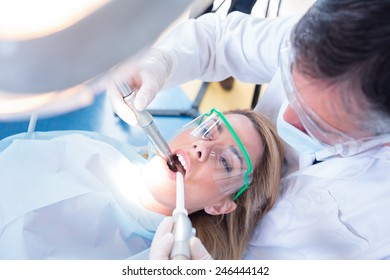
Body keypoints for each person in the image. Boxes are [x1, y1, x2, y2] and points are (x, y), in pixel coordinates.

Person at [109, 0, 390, 259]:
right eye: (290, 87)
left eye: (315, 121)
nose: (285, 115)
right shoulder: (331, 35)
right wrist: (162, 63)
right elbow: (219, 41)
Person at [0, 108, 284, 260]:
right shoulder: (87, 153)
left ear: (219, 205)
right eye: (208, 130)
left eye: (225, 163)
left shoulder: (158, 261)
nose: (202, 147)